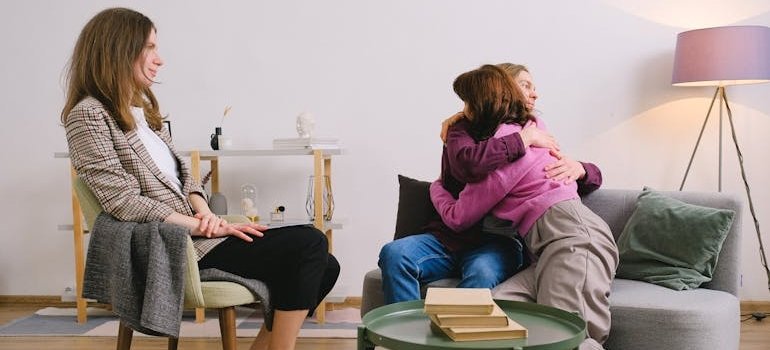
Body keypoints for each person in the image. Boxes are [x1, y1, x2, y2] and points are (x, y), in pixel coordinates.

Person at [60, 8, 339, 350]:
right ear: (119, 50)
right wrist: (196, 226)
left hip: (200, 234)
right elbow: (121, 200)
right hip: (173, 245)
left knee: (326, 263)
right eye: (150, 48)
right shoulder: (88, 114)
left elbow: (186, 178)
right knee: (310, 243)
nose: (159, 60)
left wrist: (203, 211)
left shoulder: (144, 114)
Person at [431, 64, 618, 350]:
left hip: (572, 239)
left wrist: (437, 188)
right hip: (545, 252)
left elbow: (460, 215)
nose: (535, 94)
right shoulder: (521, 136)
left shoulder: (520, 136)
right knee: (492, 318)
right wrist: (459, 123)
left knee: (567, 340)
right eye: (525, 85)